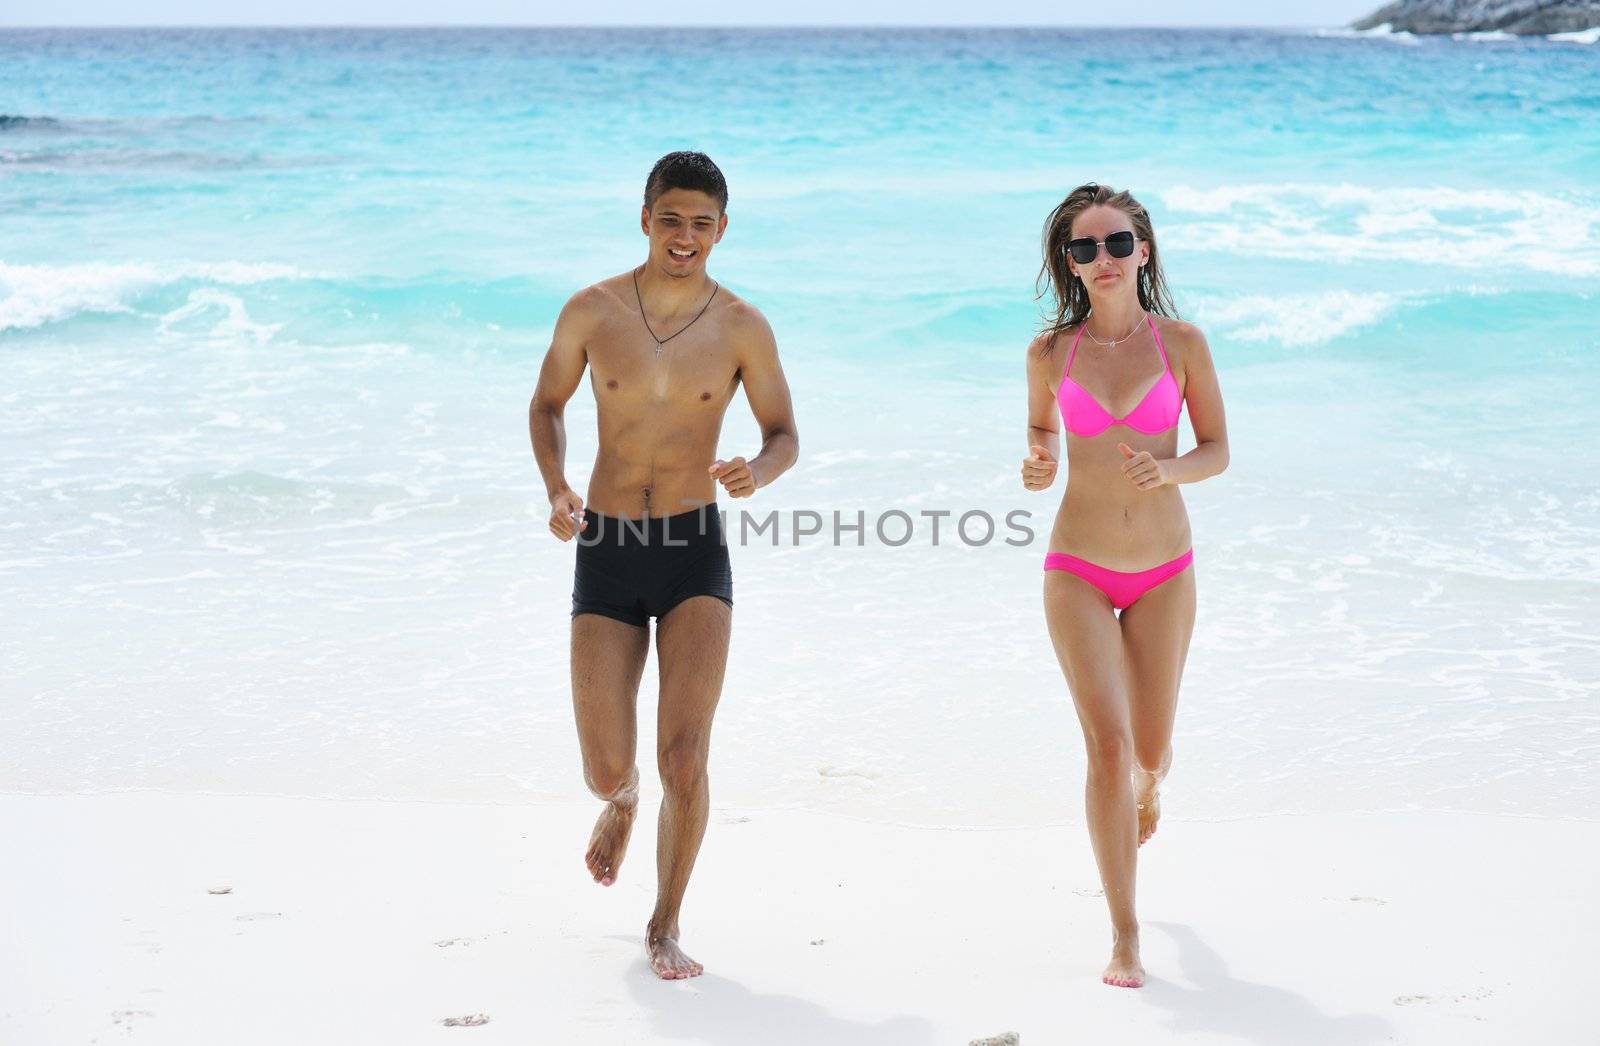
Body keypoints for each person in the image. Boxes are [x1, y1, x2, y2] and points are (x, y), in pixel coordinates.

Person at [528, 151, 799, 980]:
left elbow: (785, 432)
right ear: (645, 218)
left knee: (687, 752)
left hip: (693, 551)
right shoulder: (592, 310)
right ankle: (622, 799)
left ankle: (665, 922)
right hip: (606, 548)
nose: (687, 237)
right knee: (605, 764)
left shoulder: (743, 327)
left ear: (723, 229)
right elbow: (546, 405)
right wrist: (557, 487)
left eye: (703, 223)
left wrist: (762, 468)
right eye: (672, 219)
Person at [1021, 183, 1229, 988]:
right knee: (1104, 747)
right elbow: (1041, 427)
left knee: (1147, 750)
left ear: (1142, 250)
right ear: (1069, 264)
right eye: (1084, 248)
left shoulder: (1182, 344)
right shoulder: (1049, 353)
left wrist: (1167, 469)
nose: (1101, 260)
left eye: (1116, 244)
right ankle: (1124, 935)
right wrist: (1038, 459)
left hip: (1165, 574)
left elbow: (1216, 449)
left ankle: (1150, 786)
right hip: (1075, 566)